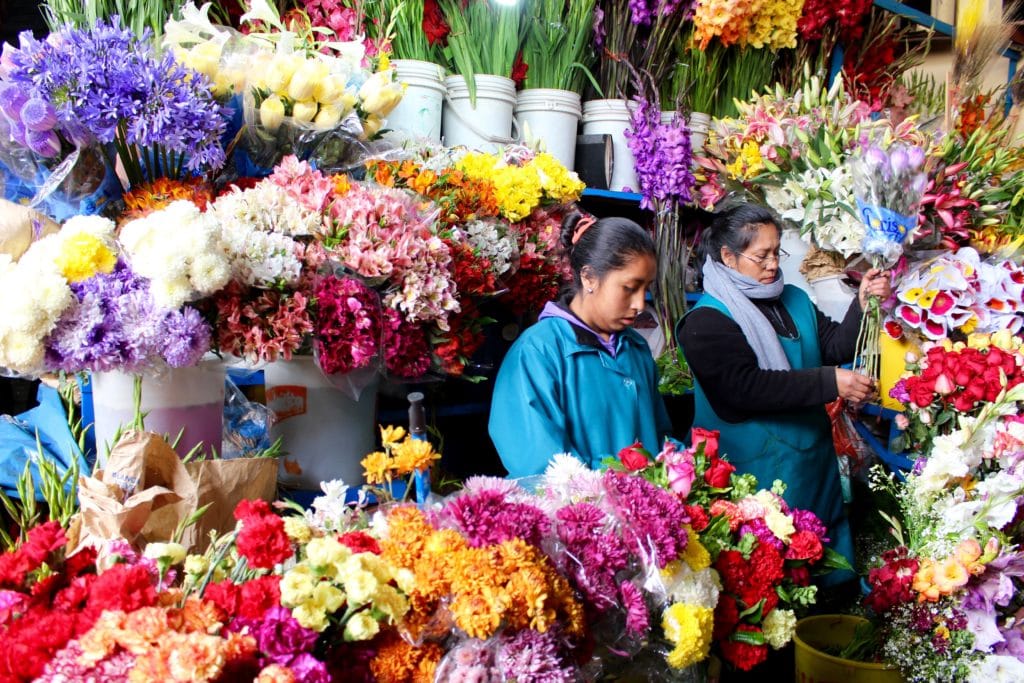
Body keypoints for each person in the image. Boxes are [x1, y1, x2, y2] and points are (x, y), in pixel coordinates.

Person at [679, 203, 891, 585]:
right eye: (761, 255)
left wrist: (861, 305)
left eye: (777, 252)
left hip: (812, 465)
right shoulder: (706, 321)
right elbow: (743, 390)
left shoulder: (794, 299)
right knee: (770, 579)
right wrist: (831, 383)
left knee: (828, 570)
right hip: (754, 474)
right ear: (728, 256)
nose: (773, 264)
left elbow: (835, 345)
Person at [489, 212, 672, 478]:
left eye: (645, 289)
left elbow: (658, 437)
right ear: (589, 278)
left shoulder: (635, 348)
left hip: (644, 513)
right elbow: (539, 467)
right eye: (629, 288)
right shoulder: (537, 353)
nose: (640, 304)